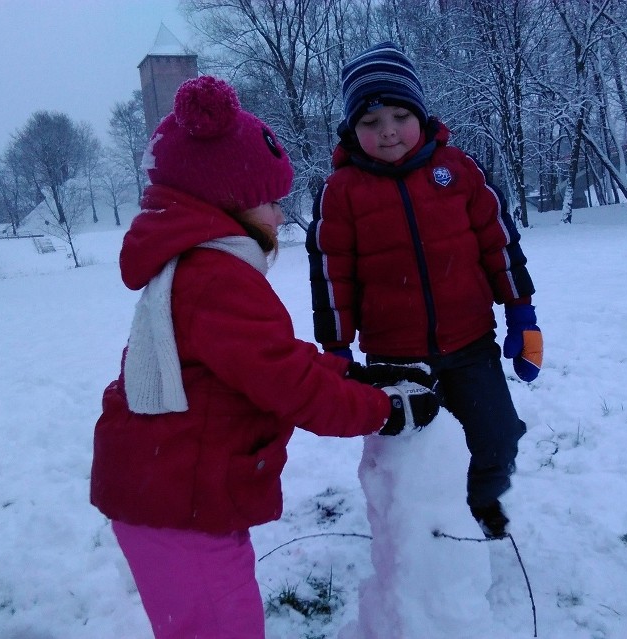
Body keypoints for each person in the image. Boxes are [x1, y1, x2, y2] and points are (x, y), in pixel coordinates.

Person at [89, 75, 438, 639]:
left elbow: (264, 358)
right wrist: (384, 410)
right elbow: (287, 383)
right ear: (228, 198)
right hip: (181, 506)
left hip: (174, 495)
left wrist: (352, 372)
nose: (279, 216)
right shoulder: (215, 277)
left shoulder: (197, 267)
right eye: (271, 200)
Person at [306, 42, 543, 539]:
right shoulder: (342, 191)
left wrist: (522, 313)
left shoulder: (459, 172)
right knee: (412, 447)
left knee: (497, 439)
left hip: (472, 343)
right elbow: (332, 274)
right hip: (396, 357)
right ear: (353, 130)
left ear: (420, 114)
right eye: (370, 123)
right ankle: (425, 527)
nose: (387, 131)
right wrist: (335, 349)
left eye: (398, 115)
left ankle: (478, 503)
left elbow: (500, 245)